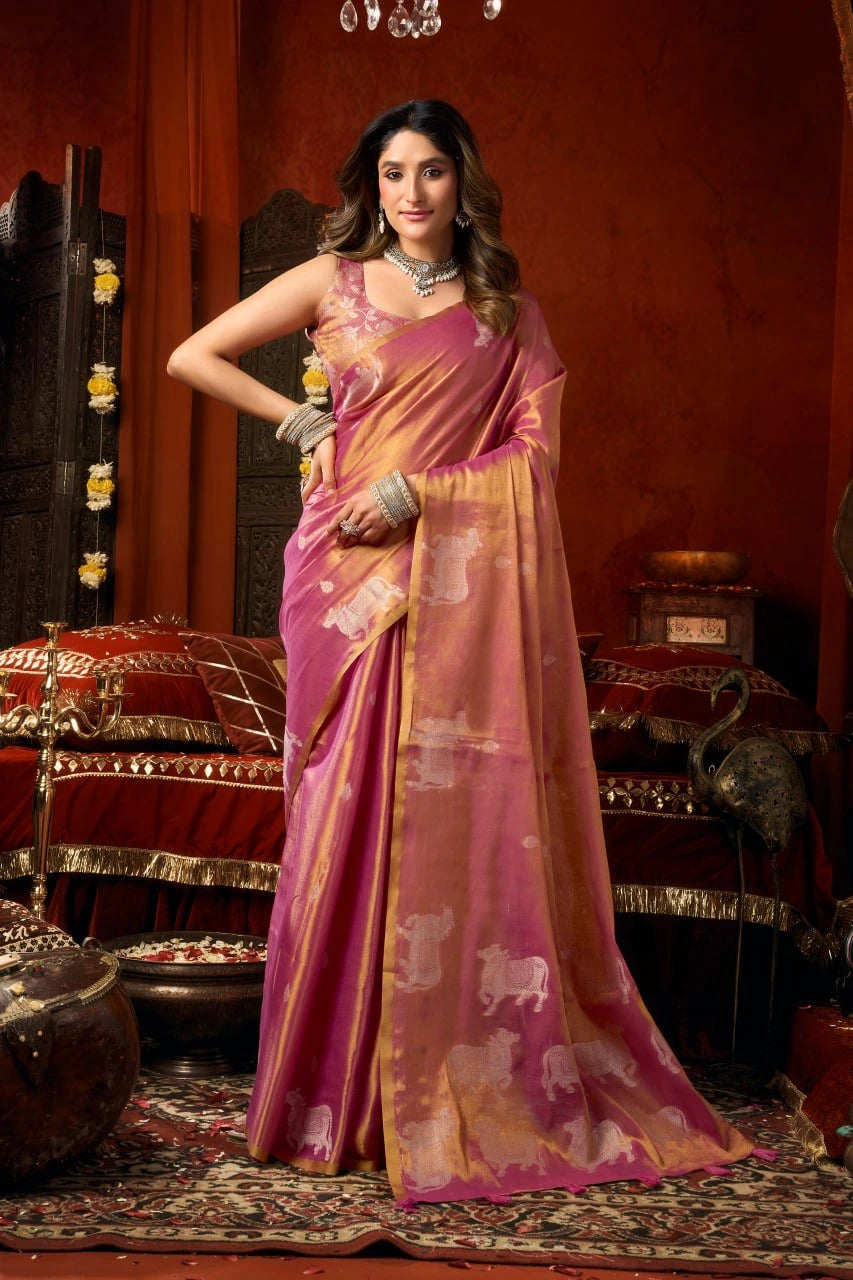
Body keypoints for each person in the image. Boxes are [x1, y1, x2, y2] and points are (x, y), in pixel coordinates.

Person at [168, 99, 755, 1203]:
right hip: (343, 585)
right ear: (369, 183)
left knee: (440, 828)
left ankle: (433, 1089)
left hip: (444, 589)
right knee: (339, 821)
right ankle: (325, 1096)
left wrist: (421, 490)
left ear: (461, 182)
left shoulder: (505, 311)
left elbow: (535, 461)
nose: (410, 193)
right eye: (392, 172)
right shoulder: (331, 280)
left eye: (431, 171)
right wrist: (297, 423)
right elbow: (189, 353)